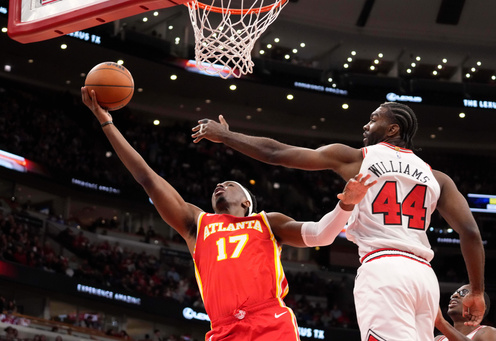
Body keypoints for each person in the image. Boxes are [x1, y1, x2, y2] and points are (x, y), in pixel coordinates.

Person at [81, 87, 375, 341]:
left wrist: (346, 205)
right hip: (223, 330)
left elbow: (322, 235)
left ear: (247, 203)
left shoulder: (267, 222)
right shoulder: (197, 224)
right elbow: (147, 177)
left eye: (230, 184)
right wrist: (107, 124)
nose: (220, 185)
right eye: (217, 186)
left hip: (269, 324)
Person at [192, 102, 486, 341]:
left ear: (393, 128)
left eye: (374, 119)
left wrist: (227, 136)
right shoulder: (437, 177)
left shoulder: (356, 158)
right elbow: (471, 232)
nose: (366, 125)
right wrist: (476, 290)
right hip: (425, 277)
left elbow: (276, 153)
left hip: (384, 269)